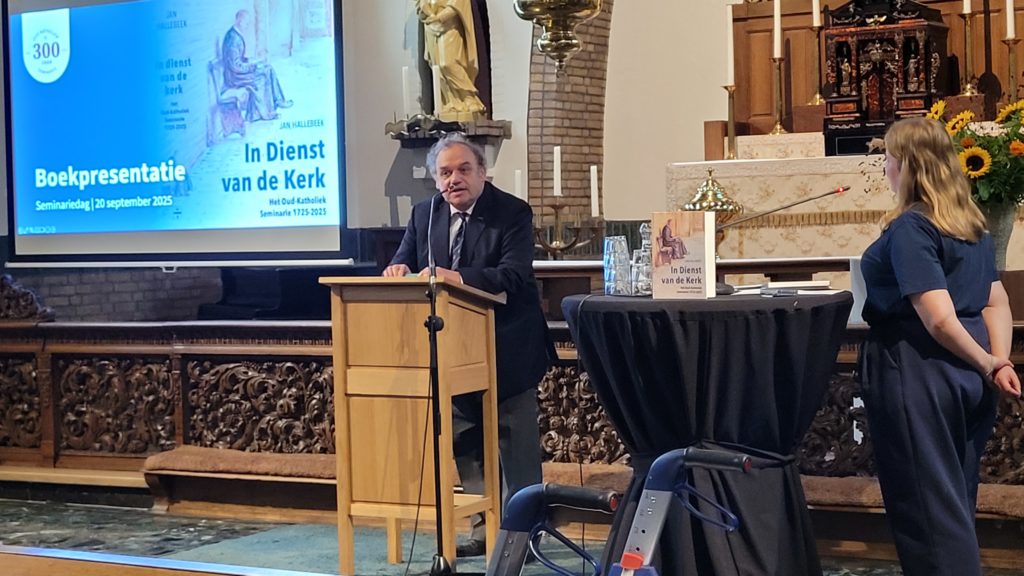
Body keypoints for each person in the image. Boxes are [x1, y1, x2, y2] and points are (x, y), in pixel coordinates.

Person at [859, 117, 1021, 576]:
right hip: (967, 374)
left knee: (928, 515)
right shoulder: (972, 224)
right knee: (953, 506)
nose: (886, 168)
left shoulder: (913, 227)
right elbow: (996, 301)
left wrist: (989, 363)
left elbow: (938, 318)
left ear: (908, 165)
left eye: (889, 158)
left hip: (918, 368)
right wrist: (996, 361)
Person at [383, 133, 552, 557]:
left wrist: (458, 277)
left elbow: (514, 275)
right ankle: (483, 528)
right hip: (453, 350)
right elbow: (405, 259)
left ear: (482, 172)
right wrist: (397, 268)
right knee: (467, 440)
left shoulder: (512, 212)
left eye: (462, 170)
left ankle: (524, 533)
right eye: (445, 173)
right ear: (435, 179)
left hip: (507, 346)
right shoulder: (426, 214)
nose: (453, 180)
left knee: (514, 443)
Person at [416, 0, 485, 119]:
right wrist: (428, 12)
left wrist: (439, 17)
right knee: (437, 67)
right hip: (431, 27)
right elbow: (421, 4)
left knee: (447, 63)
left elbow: (458, 3)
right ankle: (450, 101)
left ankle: (468, 97)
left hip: (449, 26)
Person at [222, 10, 293, 122]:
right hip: (235, 77)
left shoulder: (236, 35)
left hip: (238, 73)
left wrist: (252, 61)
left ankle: (278, 101)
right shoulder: (233, 39)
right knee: (261, 76)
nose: (247, 25)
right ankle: (266, 113)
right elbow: (235, 66)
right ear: (239, 20)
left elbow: (238, 59)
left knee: (268, 68)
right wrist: (252, 66)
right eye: (246, 22)